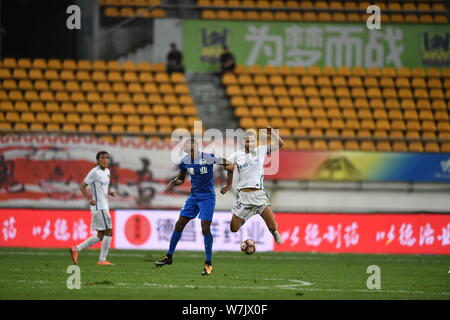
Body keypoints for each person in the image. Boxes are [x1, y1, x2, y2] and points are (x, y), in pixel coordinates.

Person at [155, 138, 234, 276]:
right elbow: (181, 178)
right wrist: (174, 182)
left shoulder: (208, 157)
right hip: (194, 197)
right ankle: (169, 256)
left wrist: (229, 185)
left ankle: (208, 264)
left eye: (187, 144)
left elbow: (230, 165)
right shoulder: (184, 161)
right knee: (179, 224)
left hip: (207, 197)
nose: (184, 146)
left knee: (205, 227)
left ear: (194, 146)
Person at [226, 126, 284, 245]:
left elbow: (280, 144)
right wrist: (228, 181)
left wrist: (272, 133)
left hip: (259, 194)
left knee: (272, 226)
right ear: (243, 142)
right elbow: (228, 168)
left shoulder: (260, 150)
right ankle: (249, 214)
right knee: (233, 228)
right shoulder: (236, 155)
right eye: (248, 141)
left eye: (252, 141)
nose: (250, 143)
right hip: (243, 197)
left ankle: (274, 233)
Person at [70, 151, 116, 266]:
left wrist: (109, 192)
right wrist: (88, 199)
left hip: (104, 205)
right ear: (97, 160)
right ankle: (102, 260)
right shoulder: (94, 172)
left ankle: (76, 249)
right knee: (109, 232)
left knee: (101, 235)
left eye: (107, 158)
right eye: (102, 158)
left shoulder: (108, 172)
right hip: (99, 207)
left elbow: (102, 187)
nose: (105, 160)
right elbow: (82, 186)